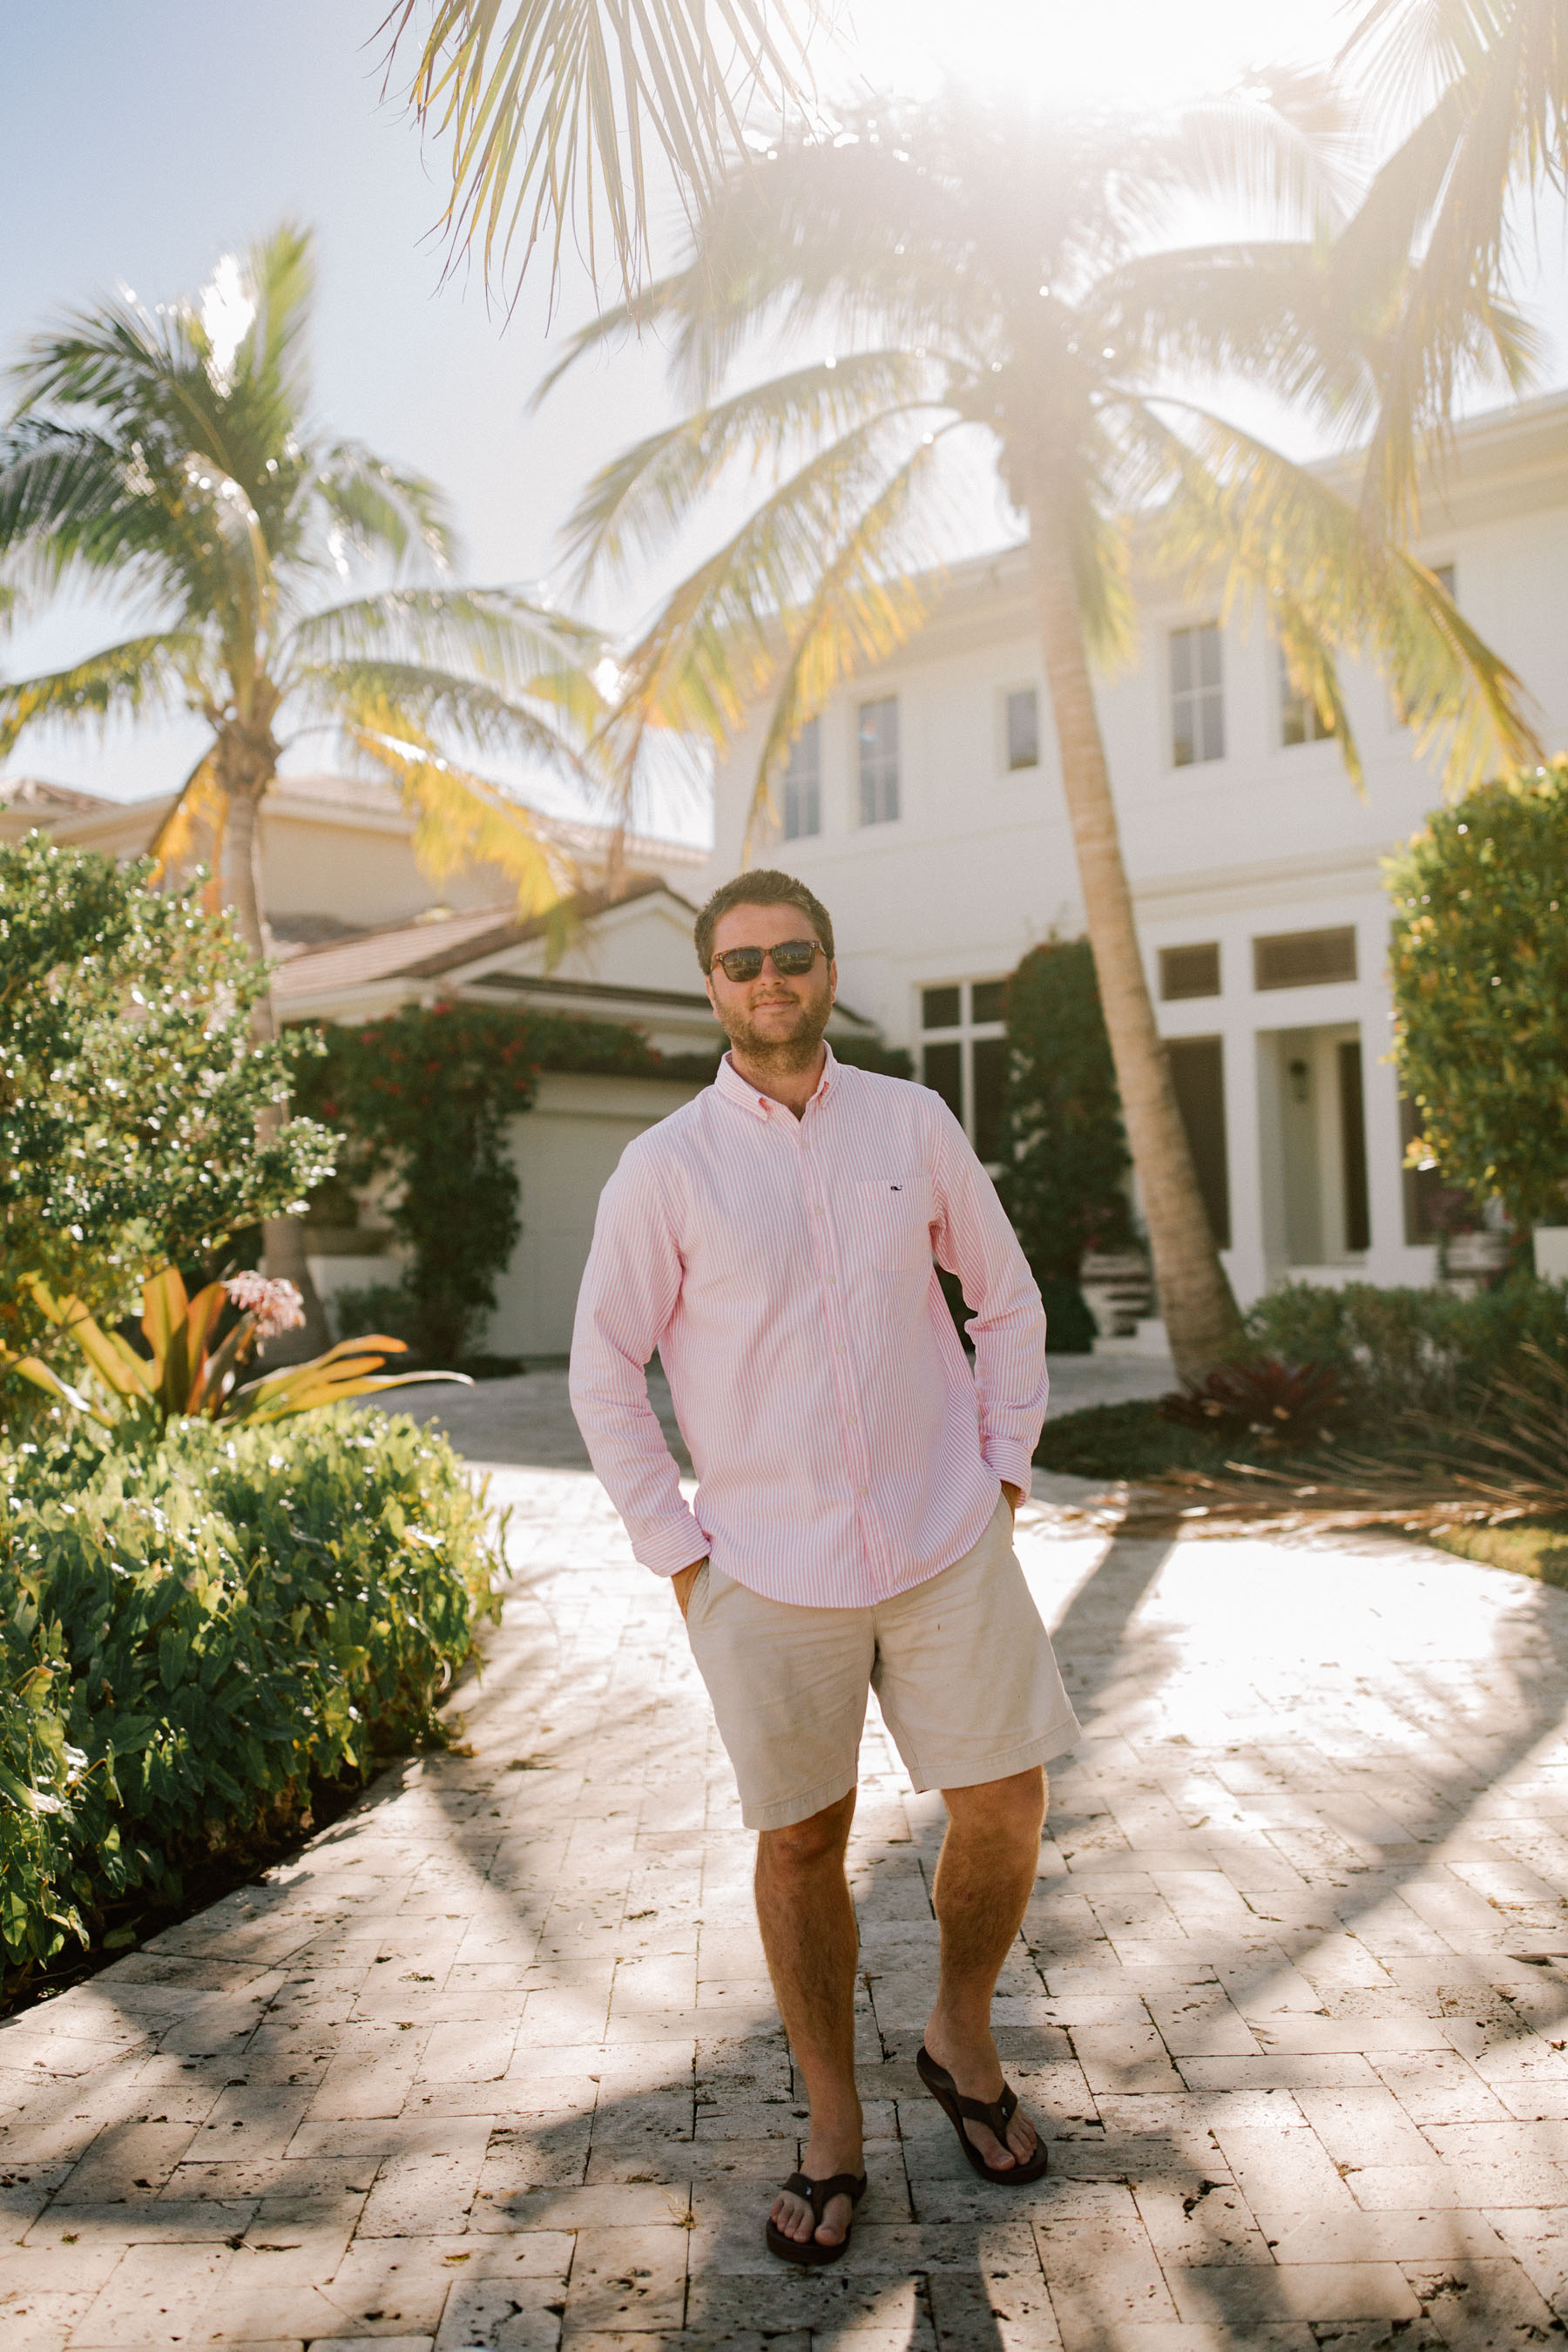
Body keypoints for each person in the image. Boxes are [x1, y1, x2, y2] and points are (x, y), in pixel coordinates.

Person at [570, 868, 1079, 2266]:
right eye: (741, 963)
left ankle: (959, 2034)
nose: (768, 980)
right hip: (765, 1569)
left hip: (941, 1537)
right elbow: (606, 1373)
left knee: (1007, 1805)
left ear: (829, 968)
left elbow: (1010, 1297)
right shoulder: (664, 1166)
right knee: (801, 1842)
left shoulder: (913, 1122)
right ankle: (833, 2125)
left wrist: (1006, 1474)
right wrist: (679, 1557)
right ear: (713, 987)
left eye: (791, 955)